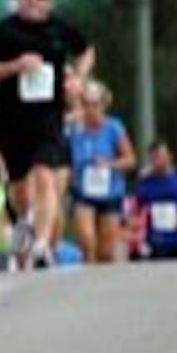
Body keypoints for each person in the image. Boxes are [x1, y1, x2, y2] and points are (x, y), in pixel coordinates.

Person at [0, 0, 93, 270]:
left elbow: (87, 51)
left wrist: (78, 78)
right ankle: (25, 220)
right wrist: (15, 66)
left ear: (50, 1)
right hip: (12, 119)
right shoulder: (2, 31)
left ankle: (40, 245)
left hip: (48, 118)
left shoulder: (59, 29)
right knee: (20, 188)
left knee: (45, 175)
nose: (33, 1)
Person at [65, 80, 136, 264]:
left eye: (95, 105)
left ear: (103, 106)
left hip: (110, 192)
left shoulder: (114, 128)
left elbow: (130, 160)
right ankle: (86, 278)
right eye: (86, 104)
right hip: (82, 192)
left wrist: (110, 164)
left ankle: (102, 286)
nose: (91, 110)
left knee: (106, 252)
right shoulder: (74, 129)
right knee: (87, 243)